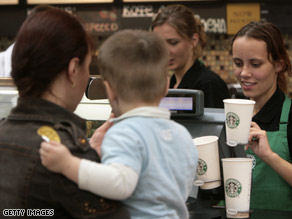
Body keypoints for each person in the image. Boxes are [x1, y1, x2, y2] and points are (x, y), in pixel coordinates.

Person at [39, 29, 198, 219]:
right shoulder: (182, 134)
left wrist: (68, 164)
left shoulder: (124, 132)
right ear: (166, 86)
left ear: (110, 90)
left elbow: (120, 183)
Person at [0, 6, 129, 218]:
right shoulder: (66, 153)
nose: (88, 76)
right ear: (73, 69)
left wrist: (90, 153)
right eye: (88, 66)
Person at [231, 21, 292, 211]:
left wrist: (269, 156)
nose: (244, 73)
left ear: (279, 64)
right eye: (238, 63)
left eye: (255, 64)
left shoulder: (289, 116)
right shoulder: (232, 115)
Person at [151, 4, 230, 108]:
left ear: (194, 40)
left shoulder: (208, 84)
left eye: (173, 42)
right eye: (160, 43)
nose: (165, 52)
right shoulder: (172, 83)